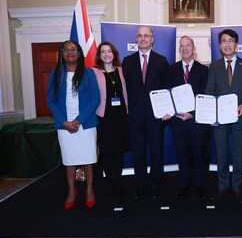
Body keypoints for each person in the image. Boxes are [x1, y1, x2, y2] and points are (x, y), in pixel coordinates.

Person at [205, 29, 242, 204]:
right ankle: (222, 187)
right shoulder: (214, 66)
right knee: (221, 154)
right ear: (219, 45)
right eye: (224, 41)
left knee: (238, 153)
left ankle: (237, 187)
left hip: (239, 118)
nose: (227, 44)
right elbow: (209, 91)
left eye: (231, 41)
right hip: (219, 120)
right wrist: (213, 113)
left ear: (237, 45)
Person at [47, 40, 100, 210]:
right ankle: (71, 191)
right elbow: (51, 100)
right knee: (69, 160)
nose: (70, 52)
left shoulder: (89, 73)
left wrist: (79, 120)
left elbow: (95, 99)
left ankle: (90, 190)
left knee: (88, 159)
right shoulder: (56, 73)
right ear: (61, 53)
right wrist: (64, 121)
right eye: (66, 49)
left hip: (85, 123)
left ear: (79, 53)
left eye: (73, 49)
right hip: (64, 124)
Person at [122, 26, 169, 199]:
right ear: (136, 39)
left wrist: (166, 111)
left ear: (152, 39)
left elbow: (166, 89)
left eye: (146, 36)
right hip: (135, 117)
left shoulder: (161, 61)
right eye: (140, 36)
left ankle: (155, 185)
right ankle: (141, 185)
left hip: (156, 117)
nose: (143, 39)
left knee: (157, 152)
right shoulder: (127, 62)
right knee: (138, 153)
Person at [164, 36, 209, 199]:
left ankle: (199, 185)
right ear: (179, 50)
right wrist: (170, 112)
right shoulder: (171, 69)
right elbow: (167, 94)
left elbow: (205, 94)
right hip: (178, 122)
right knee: (181, 154)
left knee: (198, 154)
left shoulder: (204, 70)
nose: (184, 49)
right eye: (181, 46)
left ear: (194, 48)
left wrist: (192, 113)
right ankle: (184, 184)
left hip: (197, 121)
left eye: (188, 45)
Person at [93, 41, 130, 198]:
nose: (106, 54)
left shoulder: (122, 71)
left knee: (119, 152)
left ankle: (119, 181)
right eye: (103, 52)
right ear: (99, 55)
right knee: (108, 151)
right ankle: (109, 183)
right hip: (105, 117)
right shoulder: (94, 73)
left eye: (109, 51)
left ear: (114, 54)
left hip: (121, 117)